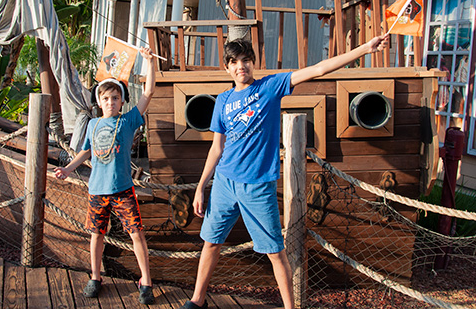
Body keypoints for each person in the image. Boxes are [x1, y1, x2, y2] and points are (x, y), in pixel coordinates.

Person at [179, 34, 389, 309]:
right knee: (210, 242)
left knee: (275, 253)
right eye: (234, 62)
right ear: (227, 68)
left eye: (246, 60)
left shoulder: (270, 87)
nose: (241, 66)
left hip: (257, 186)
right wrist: (201, 186)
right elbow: (217, 148)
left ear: (253, 63)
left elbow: (319, 69)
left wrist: (364, 48)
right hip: (224, 184)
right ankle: (198, 299)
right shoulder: (222, 101)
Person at [55, 47, 156, 305]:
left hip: (122, 189)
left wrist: (149, 63)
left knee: (136, 233)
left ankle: (146, 281)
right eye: (106, 98)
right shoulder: (93, 124)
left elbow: (148, 94)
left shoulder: (128, 121)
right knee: (96, 234)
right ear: (99, 102)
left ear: (121, 101)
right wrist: (68, 169)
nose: (110, 102)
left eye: (115, 98)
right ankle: (95, 276)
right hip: (97, 190)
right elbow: (86, 152)